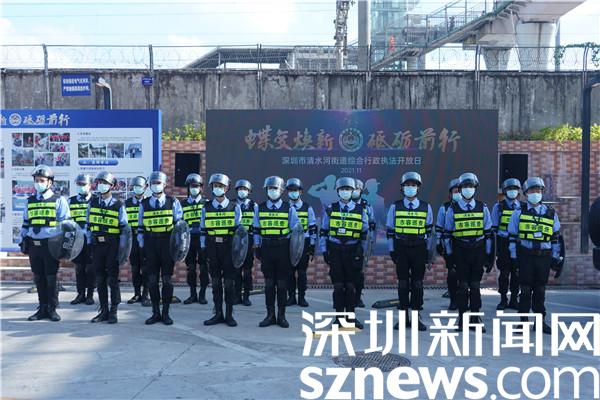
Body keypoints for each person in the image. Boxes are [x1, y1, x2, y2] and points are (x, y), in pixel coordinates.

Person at [508, 177, 561, 334]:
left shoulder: (550, 213)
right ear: (525, 193)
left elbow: (555, 238)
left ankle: (540, 322)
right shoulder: (518, 213)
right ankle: (523, 322)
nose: (535, 193)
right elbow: (512, 238)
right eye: (532, 190)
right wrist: (514, 258)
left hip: (543, 257)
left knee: (540, 290)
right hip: (526, 256)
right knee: (525, 290)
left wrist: (555, 257)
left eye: (538, 190)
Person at [19, 165, 70, 322]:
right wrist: (22, 240)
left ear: (50, 182)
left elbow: (66, 225)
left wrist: (65, 246)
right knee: (39, 278)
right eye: (36, 180)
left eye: (42, 180)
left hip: (51, 245)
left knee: (51, 277)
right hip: (34, 245)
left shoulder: (59, 200)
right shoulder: (30, 201)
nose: (38, 183)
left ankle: (52, 309)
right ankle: (42, 308)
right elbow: (25, 223)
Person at [444, 172, 493, 332]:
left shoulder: (482, 207)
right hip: (460, 250)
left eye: (471, 186)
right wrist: (449, 256)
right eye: (465, 186)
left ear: (475, 188)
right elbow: (447, 234)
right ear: (460, 189)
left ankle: (475, 318)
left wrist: (488, 256)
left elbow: (488, 234)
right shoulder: (453, 209)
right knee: (463, 286)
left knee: (475, 286)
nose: (468, 189)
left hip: (478, 250)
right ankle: (462, 317)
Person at [387, 172, 433, 331]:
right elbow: (390, 231)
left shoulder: (426, 207)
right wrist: (392, 250)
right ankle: (403, 318)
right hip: (401, 248)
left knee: (417, 284)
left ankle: (416, 317)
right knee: (403, 284)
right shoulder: (395, 206)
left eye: (413, 185)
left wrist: (428, 252)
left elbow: (429, 233)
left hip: (419, 248)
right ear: (402, 188)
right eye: (407, 185)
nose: (410, 188)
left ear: (418, 188)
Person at [320, 177, 369, 330]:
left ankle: (351, 317)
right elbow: (324, 231)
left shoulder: (361, 210)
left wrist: (362, 252)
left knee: (350, 286)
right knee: (338, 286)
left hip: (353, 251)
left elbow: (365, 233)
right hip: (335, 251)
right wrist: (324, 250)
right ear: (338, 191)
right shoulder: (331, 208)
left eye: (348, 189)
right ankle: (339, 318)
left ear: (353, 191)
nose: (345, 192)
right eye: (342, 189)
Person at [254, 176, 300, 328]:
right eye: (270, 188)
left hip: (283, 248)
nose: (272, 191)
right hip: (267, 248)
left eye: (275, 188)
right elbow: (256, 229)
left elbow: (296, 231)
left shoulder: (289, 208)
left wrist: (294, 251)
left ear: (281, 190)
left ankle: (282, 316)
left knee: (281, 284)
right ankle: (270, 315)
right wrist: (257, 247)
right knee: (269, 284)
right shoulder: (259, 208)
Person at [138, 171, 183, 326]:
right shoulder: (144, 204)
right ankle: (155, 312)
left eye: (158, 183)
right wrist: (142, 246)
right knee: (152, 280)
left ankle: (166, 313)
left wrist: (178, 246)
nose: (156, 185)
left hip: (167, 243)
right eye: (153, 183)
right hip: (150, 243)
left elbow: (180, 226)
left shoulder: (173, 202)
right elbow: (140, 227)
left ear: (164, 184)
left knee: (167, 280)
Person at [87, 171, 128, 324]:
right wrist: (89, 244)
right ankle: (103, 311)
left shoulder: (118, 205)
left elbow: (124, 229)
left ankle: (114, 311)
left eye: (104, 183)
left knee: (112, 279)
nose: (101, 185)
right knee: (100, 279)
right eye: (99, 183)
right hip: (97, 245)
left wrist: (123, 251)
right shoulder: (92, 203)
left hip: (112, 245)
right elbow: (88, 226)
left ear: (112, 186)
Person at [201, 173, 242, 327]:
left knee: (229, 284)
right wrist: (203, 248)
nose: (217, 188)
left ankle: (229, 315)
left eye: (221, 186)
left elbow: (239, 232)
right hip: (213, 248)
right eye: (215, 186)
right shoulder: (206, 207)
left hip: (228, 248)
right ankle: (218, 313)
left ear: (226, 188)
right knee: (216, 283)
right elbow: (203, 230)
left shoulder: (234, 207)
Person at [492, 178, 525, 310]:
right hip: (504, 243)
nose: (513, 191)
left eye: (515, 189)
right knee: (504, 273)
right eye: (510, 189)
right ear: (505, 191)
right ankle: (503, 299)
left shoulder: (523, 207)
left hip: (518, 244)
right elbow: (494, 228)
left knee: (516, 273)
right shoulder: (499, 207)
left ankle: (514, 299)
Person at [286, 178, 317, 308]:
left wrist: (312, 245)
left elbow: (313, 227)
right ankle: (291, 297)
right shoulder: (285, 207)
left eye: (296, 190)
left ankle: (302, 297)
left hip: (304, 242)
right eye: (291, 190)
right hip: (289, 242)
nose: (293, 192)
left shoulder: (307, 207)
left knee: (302, 272)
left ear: (301, 192)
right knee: (289, 271)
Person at [68, 173, 95, 306]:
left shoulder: (96, 201)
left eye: (83, 184)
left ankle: (90, 295)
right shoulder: (71, 201)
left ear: (90, 186)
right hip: (77, 241)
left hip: (91, 240)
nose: (81, 186)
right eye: (79, 184)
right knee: (79, 268)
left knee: (90, 269)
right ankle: (80, 294)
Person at [182, 173, 209, 305]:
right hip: (189, 240)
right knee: (191, 268)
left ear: (201, 188)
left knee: (204, 267)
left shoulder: (207, 204)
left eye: (196, 186)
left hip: (203, 239)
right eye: (191, 186)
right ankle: (192, 294)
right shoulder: (182, 204)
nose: (194, 188)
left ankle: (202, 294)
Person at [435, 178, 461, 310]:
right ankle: (453, 299)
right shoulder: (444, 208)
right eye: (455, 191)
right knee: (452, 273)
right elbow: (439, 227)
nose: (458, 193)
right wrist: (439, 243)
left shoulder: (470, 207)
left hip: (467, 247)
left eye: (460, 190)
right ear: (450, 193)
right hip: (450, 245)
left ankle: (464, 299)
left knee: (465, 276)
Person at [125, 176, 150, 306]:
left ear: (145, 187)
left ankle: (146, 294)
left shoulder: (149, 202)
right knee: (135, 268)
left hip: (146, 238)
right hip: (132, 239)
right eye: (135, 186)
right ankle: (136, 293)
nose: (137, 189)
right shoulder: (127, 203)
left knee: (146, 268)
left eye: (140, 186)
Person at [351, 178, 375, 308]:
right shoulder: (344, 204)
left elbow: (372, 224)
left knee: (359, 272)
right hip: (348, 242)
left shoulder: (366, 205)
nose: (354, 191)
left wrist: (370, 243)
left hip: (362, 243)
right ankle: (347, 297)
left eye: (357, 189)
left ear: (361, 190)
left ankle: (358, 297)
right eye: (352, 188)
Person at [234, 179, 257, 306]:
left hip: (249, 241)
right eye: (240, 189)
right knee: (236, 270)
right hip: (235, 241)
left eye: (245, 189)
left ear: (249, 192)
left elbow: (257, 224)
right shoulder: (232, 205)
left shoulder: (254, 206)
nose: (242, 191)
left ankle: (246, 296)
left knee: (247, 271)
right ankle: (237, 295)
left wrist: (257, 243)